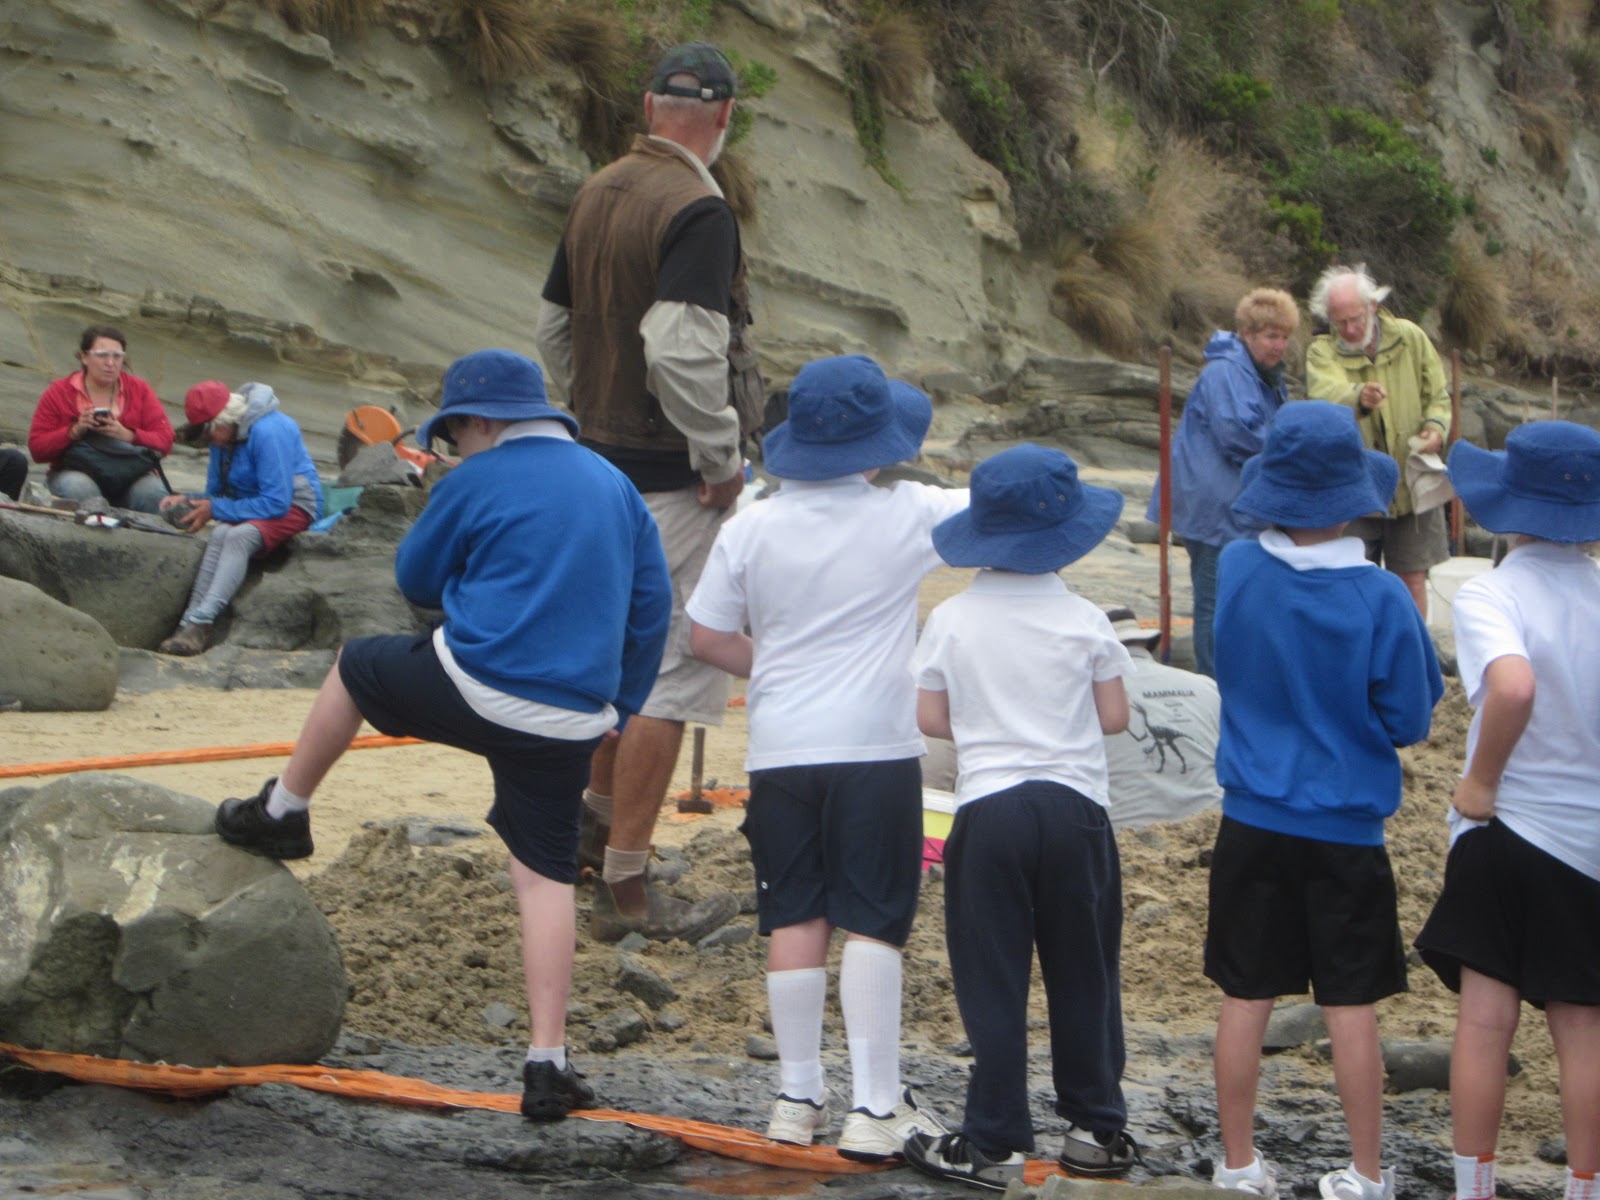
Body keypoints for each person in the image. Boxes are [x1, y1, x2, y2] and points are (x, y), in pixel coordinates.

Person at [210, 349, 672, 1121]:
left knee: (358, 667)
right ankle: (547, 1063)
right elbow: (652, 608)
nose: (453, 449)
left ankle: (284, 810)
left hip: (477, 683)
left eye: (455, 435)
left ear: (482, 422)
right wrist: (616, 709)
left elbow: (415, 581)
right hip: (572, 719)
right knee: (545, 874)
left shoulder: (474, 479)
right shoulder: (617, 486)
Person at [685, 354, 959, 1161]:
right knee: (875, 917)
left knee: (793, 913)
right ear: (875, 450)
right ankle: (875, 1106)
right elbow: (999, 515)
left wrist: (771, 665)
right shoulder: (907, 512)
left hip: (781, 750)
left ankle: (796, 1097)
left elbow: (703, 637)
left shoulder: (753, 525)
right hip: (875, 747)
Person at [536, 40, 762, 943]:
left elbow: (554, 330)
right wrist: (716, 457)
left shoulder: (598, 190)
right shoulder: (698, 209)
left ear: (645, 105)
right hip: (672, 478)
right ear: (723, 115)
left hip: (597, 462)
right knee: (670, 679)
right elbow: (679, 346)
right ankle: (627, 885)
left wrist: (588, 406)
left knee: (611, 663)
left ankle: (588, 838)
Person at [1205, 402, 1442, 1200]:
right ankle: (1365, 1174)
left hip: (1251, 818)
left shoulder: (1238, 568)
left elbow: (1219, 656)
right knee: (1350, 1004)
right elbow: (1409, 717)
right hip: (1345, 826)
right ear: (1352, 500)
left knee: (1245, 995)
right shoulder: (1382, 601)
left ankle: (1237, 1163)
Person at [903, 443, 1140, 1191]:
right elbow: (1114, 717)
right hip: (1075, 809)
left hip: (990, 807)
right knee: (1085, 971)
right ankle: (1096, 1128)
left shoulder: (952, 617)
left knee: (992, 975)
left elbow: (930, 718)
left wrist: (988, 721)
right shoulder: (1085, 618)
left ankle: (996, 1138)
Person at [1412, 421, 1600, 1200]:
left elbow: (1514, 687)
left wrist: (1481, 780)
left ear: (1507, 508)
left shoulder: (1493, 591)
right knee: (1583, 1029)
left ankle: (1474, 1188)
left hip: (1504, 825)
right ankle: (1587, 1188)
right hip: (1587, 841)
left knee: (1486, 1025)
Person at [1146, 288, 1298, 677]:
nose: (1278, 345)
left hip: (1231, 505)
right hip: (1213, 507)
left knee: (1233, 600)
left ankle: (1230, 681)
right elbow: (1241, 437)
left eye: (1283, 336)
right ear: (1247, 333)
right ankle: (1215, 688)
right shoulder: (1227, 372)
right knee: (1215, 603)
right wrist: (1294, 452)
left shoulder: (1261, 375)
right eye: (1270, 336)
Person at [1305, 265, 1451, 615]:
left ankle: (1410, 657)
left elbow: (1438, 395)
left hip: (1412, 486)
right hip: (1355, 490)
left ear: (1372, 306)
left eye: (1355, 318)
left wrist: (1435, 428)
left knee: (1412, 578)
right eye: (1339, 322)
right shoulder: (1321, 352)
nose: (1350, 329)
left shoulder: (1411, 338)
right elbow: (1325, 394)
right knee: (1352, 579)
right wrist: (1358, 397)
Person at [156, 382, 323, 657]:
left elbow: (276, 502)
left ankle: (201, 623)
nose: (211, 443)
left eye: (210, 435)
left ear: (225, 421)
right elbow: (216, 495)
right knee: (220, 533)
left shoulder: (270, 431)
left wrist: (216, 509)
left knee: (237, 536)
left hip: (295, 505)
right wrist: (189, 499)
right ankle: (187, 623)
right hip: (255, 504)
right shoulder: (224, 437)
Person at [27, 324, 173, 513]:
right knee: (80, 488)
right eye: (102, 355)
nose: (110, 363)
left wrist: (127, 435)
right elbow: (37, 449)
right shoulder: (59, 392)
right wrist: (74, 431)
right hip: (76, 472)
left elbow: (166, 440)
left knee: (153, 493)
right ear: (84, 357)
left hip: (132, 474)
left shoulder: (139, 390)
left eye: (117, 356)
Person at [1100, 606, 1221, 829]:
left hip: (1124, 838)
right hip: (1211, 830)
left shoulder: (1086, 698)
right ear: (1145, 644)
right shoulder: (1207, 686)